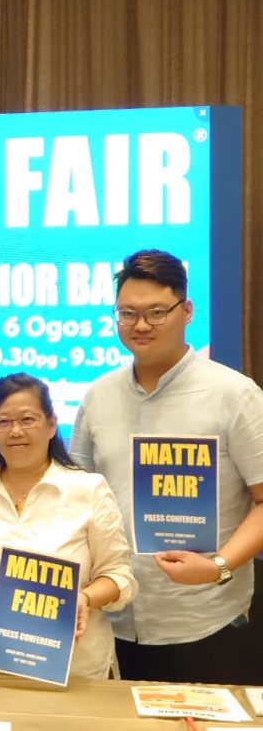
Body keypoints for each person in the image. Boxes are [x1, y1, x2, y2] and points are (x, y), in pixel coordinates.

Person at [70, 249, 263, 684]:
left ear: (186, 311)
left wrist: (218, 566)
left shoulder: (235, 395)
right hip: (110, 620)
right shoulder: (99, 395)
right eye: (128, 313)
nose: (141, 325)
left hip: (204, 620)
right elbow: (75, 498)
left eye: (157, 312)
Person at [0, 373, 136, 679]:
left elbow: (118, 575)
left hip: (75, 672)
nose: (15, 431)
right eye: (3, 422)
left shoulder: (89, 490)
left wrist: (84, 599)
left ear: (52, 424)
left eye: (27, 419)